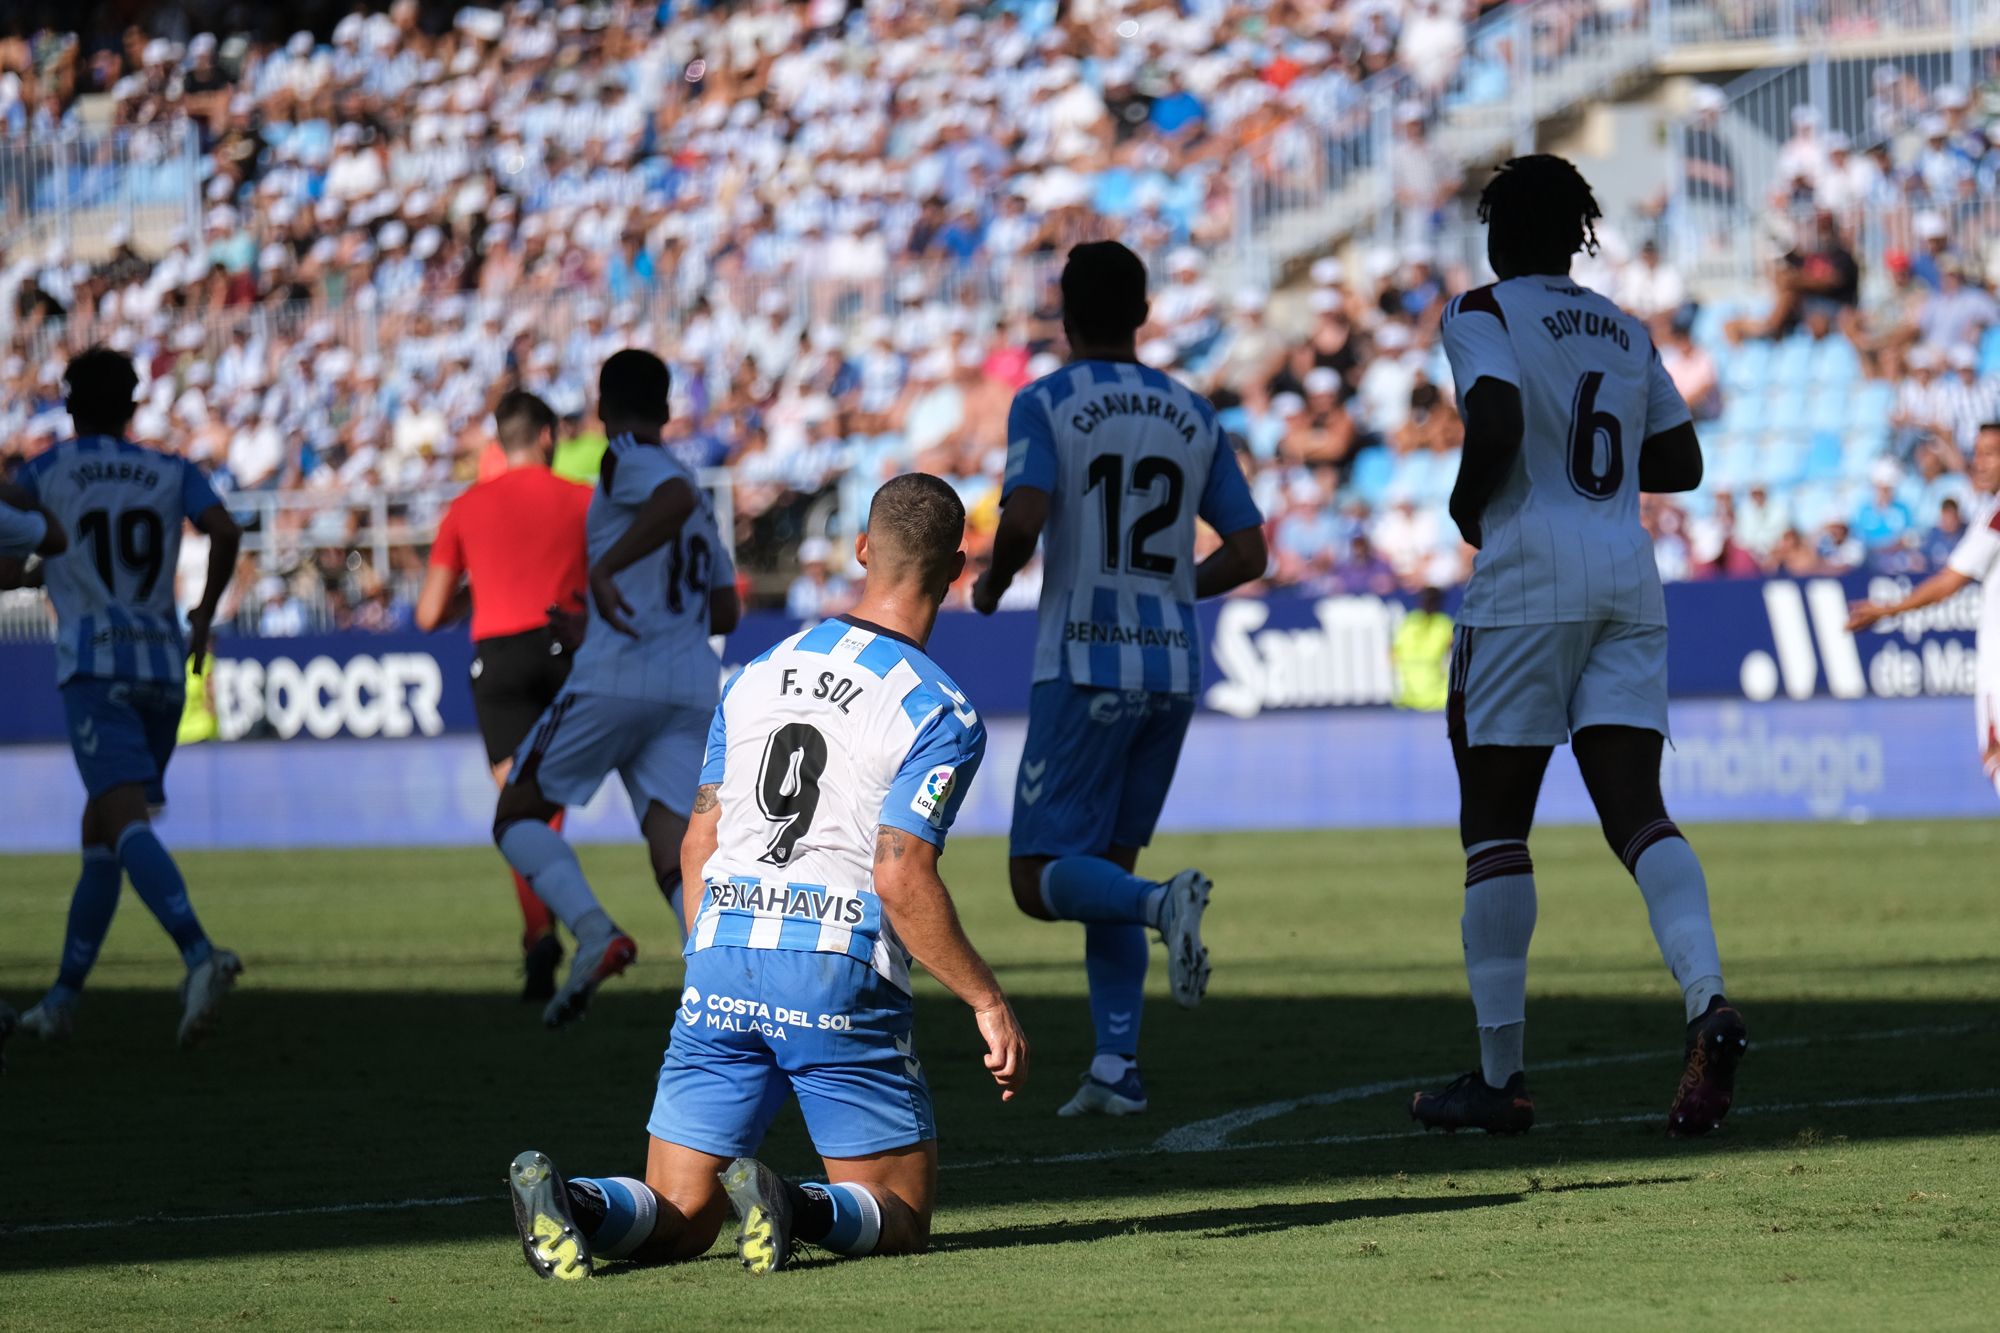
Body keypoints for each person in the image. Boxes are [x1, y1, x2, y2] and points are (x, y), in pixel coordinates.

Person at [505, 475, 1026, 1279]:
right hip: (832, 967)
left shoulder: (754, 673)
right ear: (956, 569)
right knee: (902, 1216)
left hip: (722, 949)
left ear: (860, 549)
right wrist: (987, 999)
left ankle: (573, 1202)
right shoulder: (939, 709)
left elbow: (696, 842)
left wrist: (709, 967)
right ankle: (798, 1202)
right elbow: (898, 873)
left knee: (679, 1213)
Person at [1415, 157, 1744, 1138]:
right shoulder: (1620, 323)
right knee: (1637, 811)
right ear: (1576, 234)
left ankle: (1498, 1076)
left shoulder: (1480, 308)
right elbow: (1680, 459)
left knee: (1494, 824)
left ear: (1496, 234)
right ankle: (1706, 1000)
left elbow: (1499, 416)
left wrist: (1467, 500)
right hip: (1622, 573)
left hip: (1524, 577)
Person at [971, 241, 1268, 1117]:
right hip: (1170, 666)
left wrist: (991, 579)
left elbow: (1024, 511)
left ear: (1064, 316)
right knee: (1101, 867)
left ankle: (1161, 902)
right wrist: (1177, 589)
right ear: (1144, 313)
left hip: (1083, 661)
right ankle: (1115, 1067)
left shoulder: (1046, 400)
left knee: (1038, 879)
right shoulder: (1193, 411)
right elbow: (1249, 551)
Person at [0, 347, 244, 1046]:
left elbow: (23, 547)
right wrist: (202, 613)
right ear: (133, 404)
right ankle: (62, 999)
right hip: (164, 667)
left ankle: (199, 952)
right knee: (102, 832)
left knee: (123, 817)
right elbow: (225, 529)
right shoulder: (171, 468)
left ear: (70, 405)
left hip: (97, 667)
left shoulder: (46, 470)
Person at [493, 350, 739, 1028]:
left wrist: (607, 574)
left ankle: (597, 932)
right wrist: (606, 612)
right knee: (676, 853)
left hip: (618, 677)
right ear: (666, 409)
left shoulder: (627, 455)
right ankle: (727, 983)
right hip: (688, 686)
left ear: (602, 410)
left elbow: (670, 501)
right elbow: (725, 612)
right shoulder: (690, 483)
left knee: (515, 814)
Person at [417, 391, 593, 1001]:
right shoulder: (585, 501)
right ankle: (552, 931)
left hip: (497, 661)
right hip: (564, 648)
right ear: (548, 436)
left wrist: (480, 590)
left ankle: (540, 933)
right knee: (545, 805)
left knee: (520, 807)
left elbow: (429, 611)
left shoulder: (466, 506)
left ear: (498, 442)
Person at [1849, 425, 2000, 798]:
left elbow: (1950, 581)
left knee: (1995, 755)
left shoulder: (1995, 517)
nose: (1978, 463)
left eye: (1989, 453)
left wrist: (1887, 610)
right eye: (1977, 452)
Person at [1392, 587, 1453, 711]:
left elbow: (1393, 655)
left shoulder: (1409, 622)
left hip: (1421, 699)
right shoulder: (1443, 624)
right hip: (1427, 700)